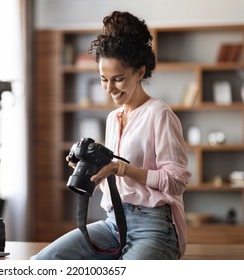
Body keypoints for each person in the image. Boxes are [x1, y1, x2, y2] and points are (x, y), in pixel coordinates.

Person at [30, 10, 191, 260]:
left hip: (154, 228)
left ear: (140, 72)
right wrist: (93, 170)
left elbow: (176, 181)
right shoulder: (112, 118)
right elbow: (117, 183)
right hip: (113, 223)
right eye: (103, 79)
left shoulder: (160, 114)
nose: (109, 88)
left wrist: (120, 169)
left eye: (118, 79)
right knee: (42, 263)